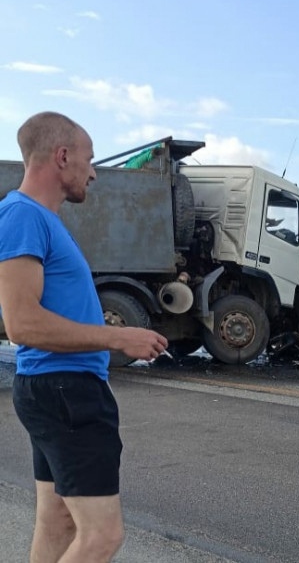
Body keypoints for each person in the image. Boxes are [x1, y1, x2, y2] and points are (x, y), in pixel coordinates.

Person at [0, 112, 168, 563]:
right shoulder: (21, 215)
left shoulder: (41, 220)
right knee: (102, 537)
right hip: (65, 390)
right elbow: (22, 325)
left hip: (57, 389)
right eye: (89, 159)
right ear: (62, 156)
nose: (93, 171)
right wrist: (118, 339)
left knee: (58, 523)